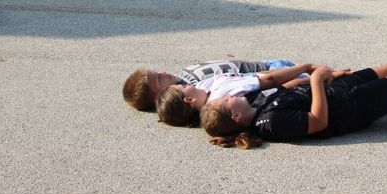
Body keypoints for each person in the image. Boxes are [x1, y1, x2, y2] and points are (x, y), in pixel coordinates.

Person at [200, 60, 387, 149]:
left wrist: (326, 77)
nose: (230, 95)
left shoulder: (254, 102)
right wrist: (316, 81)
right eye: (227, 100)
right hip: (347, 110)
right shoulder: (270, 123)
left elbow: (288, 88)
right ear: (235, 115)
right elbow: (318, 121)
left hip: (335, 91)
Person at [157, 60, 387, 127]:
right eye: (184, 86)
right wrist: (310, 72)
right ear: (189, 100)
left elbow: (276, 88)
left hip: (319, 89)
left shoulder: (220, 104)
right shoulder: (224, 99)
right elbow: (272, 82)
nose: (187, 82)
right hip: (334, 100)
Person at [122, 58, 298, 112]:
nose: (163, 72)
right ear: (160, 97)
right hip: (273, 71)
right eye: (159, 79)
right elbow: (259, 83)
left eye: (157, 72)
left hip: (267, 65)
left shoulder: (181, 80)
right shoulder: (196, 89)